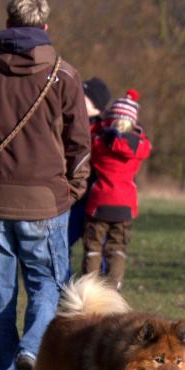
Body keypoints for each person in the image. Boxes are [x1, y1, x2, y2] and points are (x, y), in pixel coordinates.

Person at [0, 0, 90, 370]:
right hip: (46, 202)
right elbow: (80, 144)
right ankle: (31, 348)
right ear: (45, 27)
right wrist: (75, 189)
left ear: (8, 24)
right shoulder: (64, 75)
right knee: (47, 286)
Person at [83, 89, 152, 290]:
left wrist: (103, 126)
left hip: (99, 202)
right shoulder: (139, 146)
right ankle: (113, 288)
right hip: (125, 205)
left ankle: (90, 287)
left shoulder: (99, 142)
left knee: (93, 248)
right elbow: (146, 145)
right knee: (117, 249)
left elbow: (90, 139)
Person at [68, 77, 111, 260]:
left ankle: (100, 285)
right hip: (75, 199)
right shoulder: (70, 123)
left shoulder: (106, 132)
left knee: (96, 248)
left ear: (96, 104)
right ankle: (62, 283)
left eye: (84, 96)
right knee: (60, 242)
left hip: (97, 200)